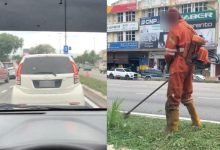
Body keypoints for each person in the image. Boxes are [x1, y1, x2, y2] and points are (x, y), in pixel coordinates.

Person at [164, 8, 202, 132]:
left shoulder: (175, 29)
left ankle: (172, 129)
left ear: (172, 18)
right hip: (189, 65)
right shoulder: (190, 28)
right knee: (186, 94)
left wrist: (169, 65)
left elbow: (169, 53)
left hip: (178, 65)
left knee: (173, 96)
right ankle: (196, 123)